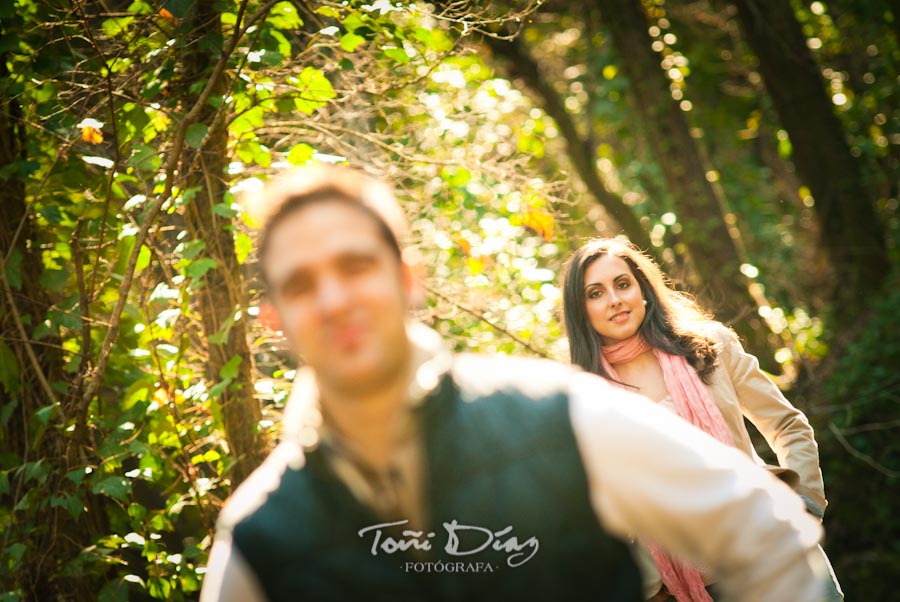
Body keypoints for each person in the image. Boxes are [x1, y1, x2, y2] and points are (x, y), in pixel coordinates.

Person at [200, 166, 830, 602]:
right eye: (303, 284)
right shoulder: (260, 538)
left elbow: (769, 538)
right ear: (272, 320)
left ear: (409, 279)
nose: (334, 299)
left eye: (356, 265)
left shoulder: (561, 416)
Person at [560, 236, 843, 601]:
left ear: (643, 289)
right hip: (690, 589)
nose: (614, 299)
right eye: (595, 293)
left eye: (623, 284)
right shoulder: (583, 401)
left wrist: (806, 504)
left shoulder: (709, 346)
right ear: (581, 310)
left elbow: (787, 425)